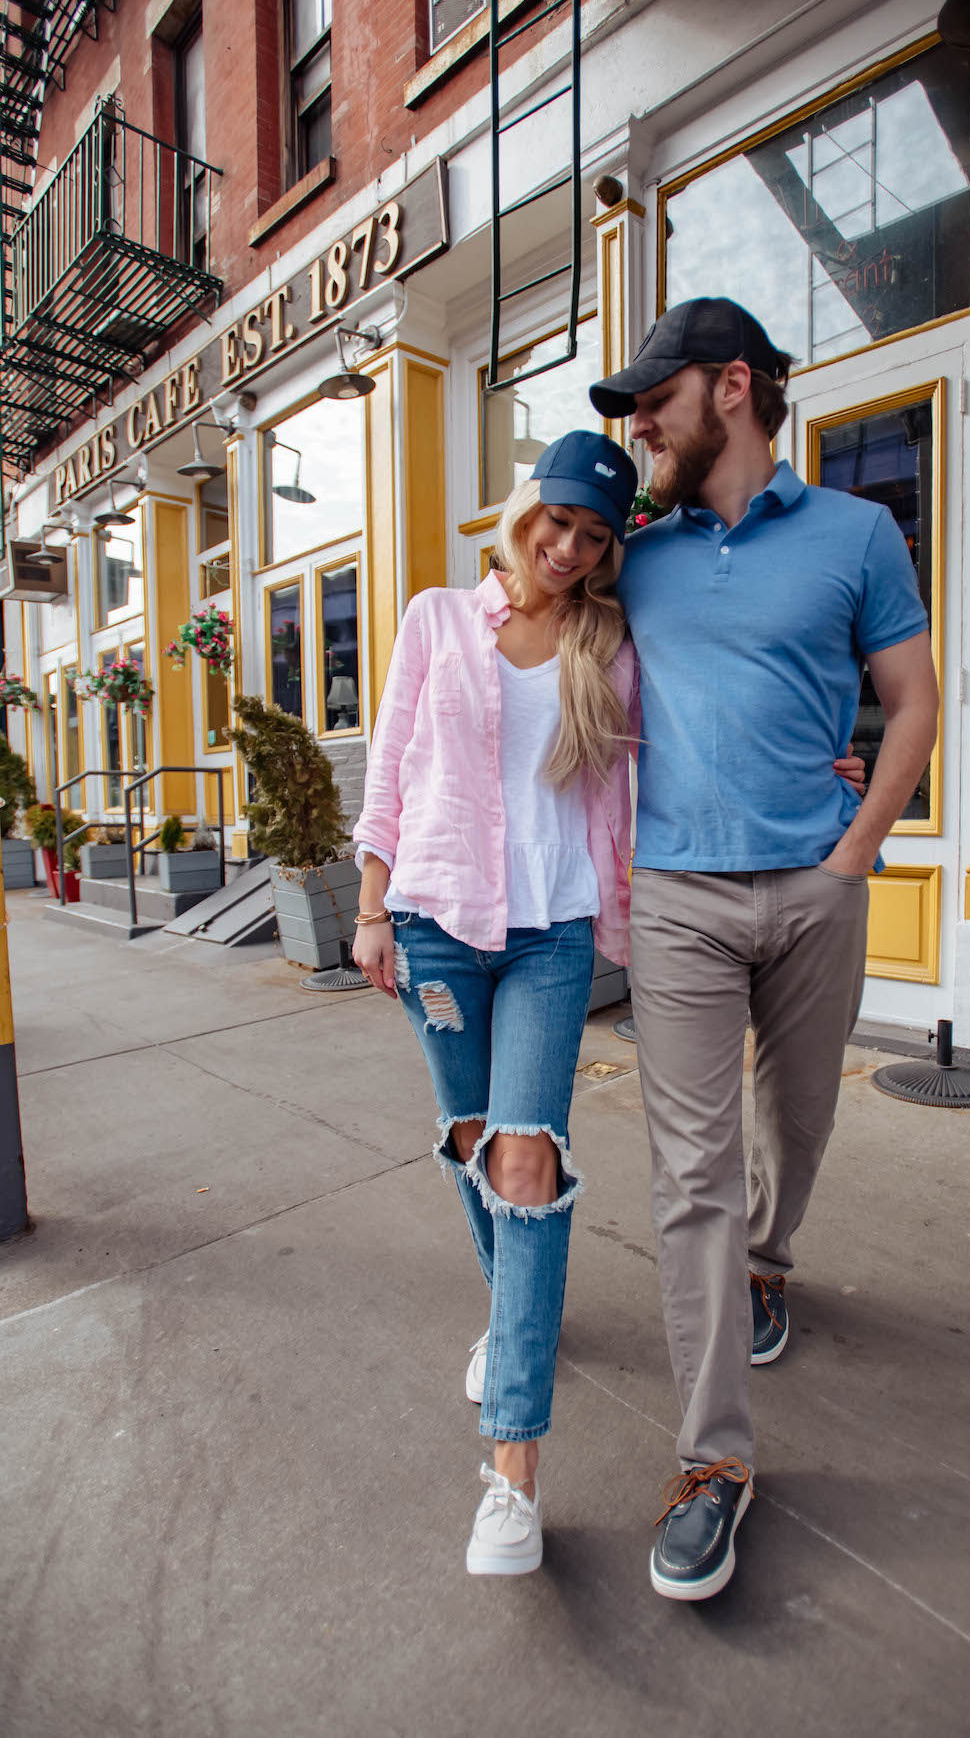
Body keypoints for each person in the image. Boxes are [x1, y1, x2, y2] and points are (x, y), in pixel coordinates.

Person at [589, 297, 940, 1601]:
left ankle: (772, 1265)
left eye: (654, 402)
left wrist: (852, 853)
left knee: (794, 1125)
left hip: (814, 885)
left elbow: (912, 703)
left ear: (732, 387)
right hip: (678, 893)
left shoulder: (856, 535)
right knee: (693, 1173)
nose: (640, 430)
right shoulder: (639, 546)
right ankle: (712, 1463)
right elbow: (536, 607)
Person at [350, 430, 640, 1577]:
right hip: (432, 926)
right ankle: (519, 1313)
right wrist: (369, 911)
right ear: (524, 515)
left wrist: (806, 777)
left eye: (592, 536)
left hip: (554, 938)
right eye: (556, 523)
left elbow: (648, 772)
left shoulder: (608, 645)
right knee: (470, 1141)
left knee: (527, 1160)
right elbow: (390, 767)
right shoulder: (434, 619)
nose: (567, 549)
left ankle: (511, 1472)